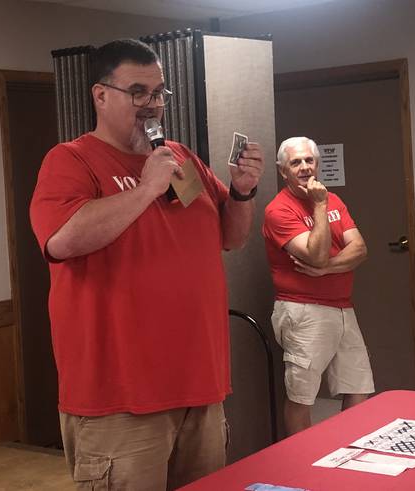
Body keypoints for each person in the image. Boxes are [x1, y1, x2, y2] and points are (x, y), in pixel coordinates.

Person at [29, 39, 264, 489]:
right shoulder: (70, 161)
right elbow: (62, 240)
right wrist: (143, 191)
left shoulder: (180, 159)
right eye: (138, 92)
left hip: (200, 387)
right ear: (101, 95)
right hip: (121, 400)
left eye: (158, 93)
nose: (152, 105)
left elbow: (231, 238)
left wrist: (242, 191)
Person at [262, 136, 374, 435]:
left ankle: (345, 456)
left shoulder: (335, 200)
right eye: (295, 162)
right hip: (303, 310)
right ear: (283, 171)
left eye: (309, 160)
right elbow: (315, 253)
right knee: (302, 396)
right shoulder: (279, 210)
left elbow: (360, 249)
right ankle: (302, 468)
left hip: (342, 307)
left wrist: (324, 269)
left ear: (317, 164)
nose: (304, 167)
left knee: (358, 387)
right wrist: (320, 205)